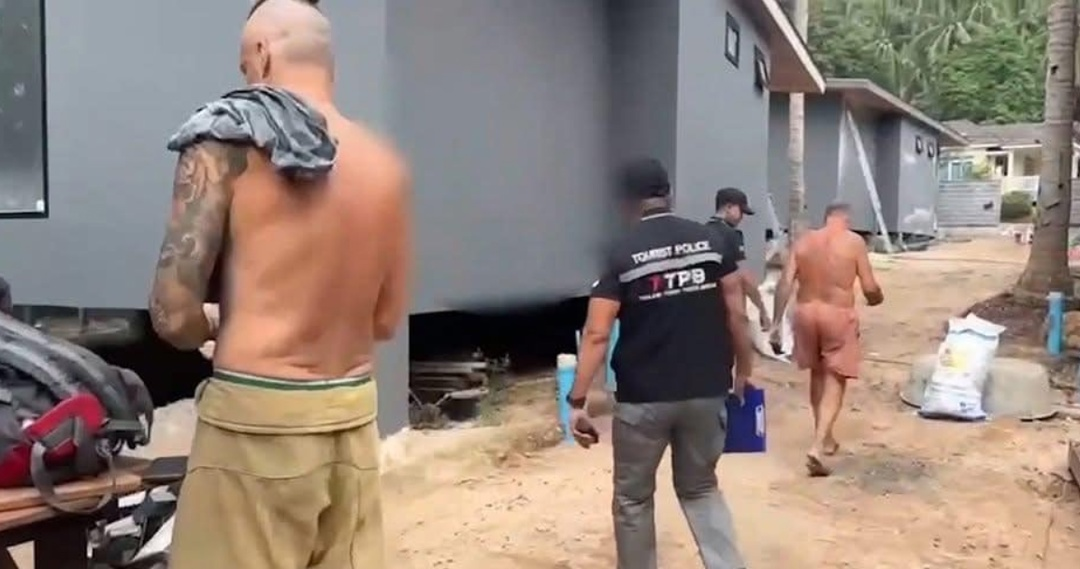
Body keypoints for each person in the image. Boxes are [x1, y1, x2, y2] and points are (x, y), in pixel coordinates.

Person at [148, 1, 411, 567]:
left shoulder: (226, 142)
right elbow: (386, 320)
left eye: (245, 66)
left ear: (263, 55)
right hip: (352, 423)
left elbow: (172, 314)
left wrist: (212, 324)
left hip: (256, 427)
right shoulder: (385, 166)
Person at [568, 158, 754, 569]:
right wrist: (743, 371)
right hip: (707, 391)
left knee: (633, 499)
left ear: (626, 201)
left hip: (643, 400)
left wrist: (578, 400)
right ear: (669, 193)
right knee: (701, 489)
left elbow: (597, 333)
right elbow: (737, 314)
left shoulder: (620, 253)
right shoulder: (712, 241)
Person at [770, 203, 883, 477]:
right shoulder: (853, 242)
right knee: (835, 378)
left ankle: (826, 436)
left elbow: (785, 282)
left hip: (806, 313)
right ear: (847, 219)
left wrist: (775, 324)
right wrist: (876, 298)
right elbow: (870, 288)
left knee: (817, 373)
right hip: (837, 315)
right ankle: (817, 447)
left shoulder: (804, 241)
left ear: (826, 218)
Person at [706, 187, 771, 332]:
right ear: (729, 207)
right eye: (741, 211)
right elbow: (744, 277)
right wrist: (762, 310)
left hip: (706, 309)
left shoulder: (702, 233)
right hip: (730, 310)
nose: (742, 217)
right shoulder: (732, 235)